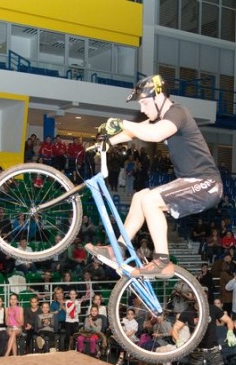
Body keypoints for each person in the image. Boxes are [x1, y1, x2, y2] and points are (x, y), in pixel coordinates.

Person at [85, 75, 222, 278]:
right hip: (188, 181)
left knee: (150, 200)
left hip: (207, 183)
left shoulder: (178, 112)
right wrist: (108, 142)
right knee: (140, 197)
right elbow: (136, 132)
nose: (142, 109)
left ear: (159, 97)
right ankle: (117, 249)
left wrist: (122, 122)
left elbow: (155, 134)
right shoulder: (160, 118)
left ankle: (163, 261)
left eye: (144, 103)